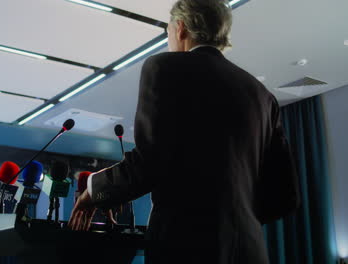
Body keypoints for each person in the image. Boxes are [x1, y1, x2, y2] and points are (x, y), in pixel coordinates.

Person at [68, 0, 300, 263]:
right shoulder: (263, 96)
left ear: (180, 28)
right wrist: (235, 220)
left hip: (187, 249)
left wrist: (94, 189)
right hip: (249, 252)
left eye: (167, 31)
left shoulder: (165, 68)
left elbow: (149, 163)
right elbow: (285, 196)